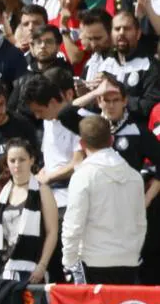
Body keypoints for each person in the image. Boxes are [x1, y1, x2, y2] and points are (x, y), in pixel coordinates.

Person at [61, 116, 149, 285]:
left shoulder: (83, 176)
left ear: (82, 144)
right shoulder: (135, 177)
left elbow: (73, 225)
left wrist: (69, 261)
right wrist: (132, 253)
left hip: (92, 261)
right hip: (128, 261)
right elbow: (141, 223)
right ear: (112, 140)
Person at [0, 138, 59, 284]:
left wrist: (42, 265)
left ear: (31, 160)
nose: (17, 165)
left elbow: (52, 232)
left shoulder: (43, 190)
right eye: (12, 160)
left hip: (30, 269)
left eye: (22, 159)